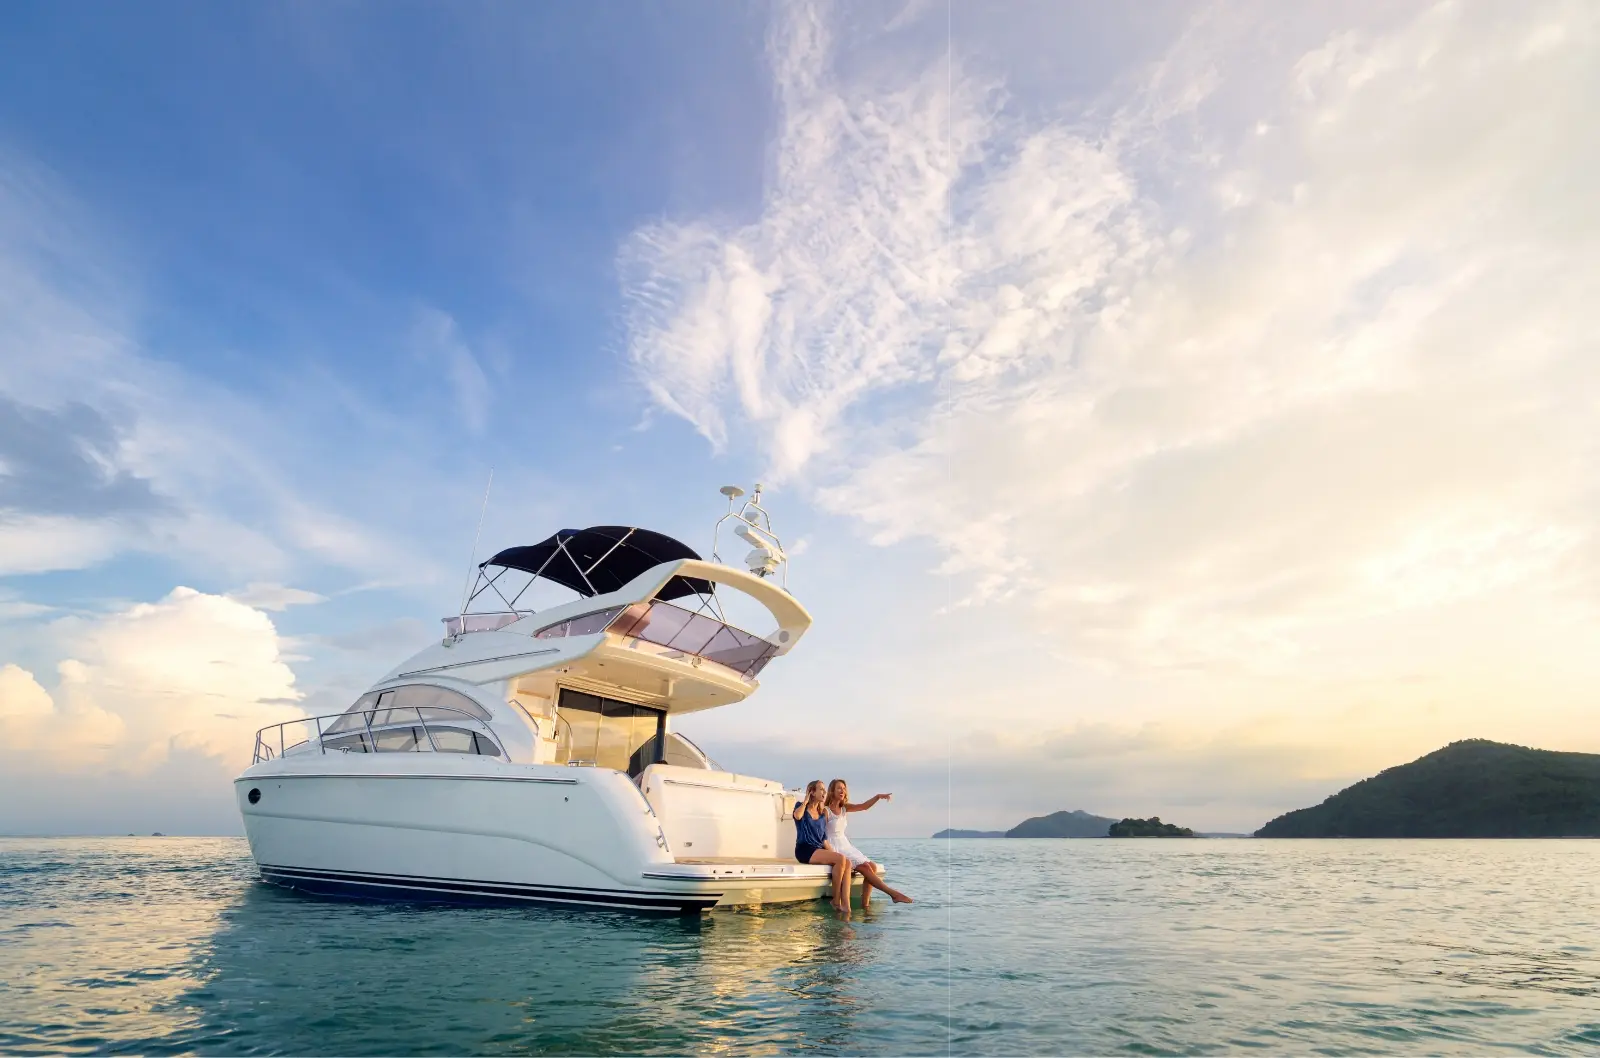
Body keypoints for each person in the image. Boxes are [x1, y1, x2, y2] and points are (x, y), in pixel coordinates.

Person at [825, 778, 913, 907]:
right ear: (832, 791)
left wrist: (877, 797)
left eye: (844, 788)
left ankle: (865, 905)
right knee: (866, 868)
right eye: (839, 788)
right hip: (835, 846)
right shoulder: (826, 810)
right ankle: (893, 894)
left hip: (845, 844)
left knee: (872, 866)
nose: (842, 791)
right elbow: (820, 832)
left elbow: (864, 807)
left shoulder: (844, 808)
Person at [792, 779, 851, 911]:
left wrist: (836, 855)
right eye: (821, 789)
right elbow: (797, 816)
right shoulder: (800, 806)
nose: (824, 792)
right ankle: (835, 901)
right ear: (812, 792)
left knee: (846, 862)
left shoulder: (821, 813)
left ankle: (846, 905)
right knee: (840, 859)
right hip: (804, 849)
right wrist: (806, 800)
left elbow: (824, 840)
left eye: (825, 790)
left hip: (818, 849)